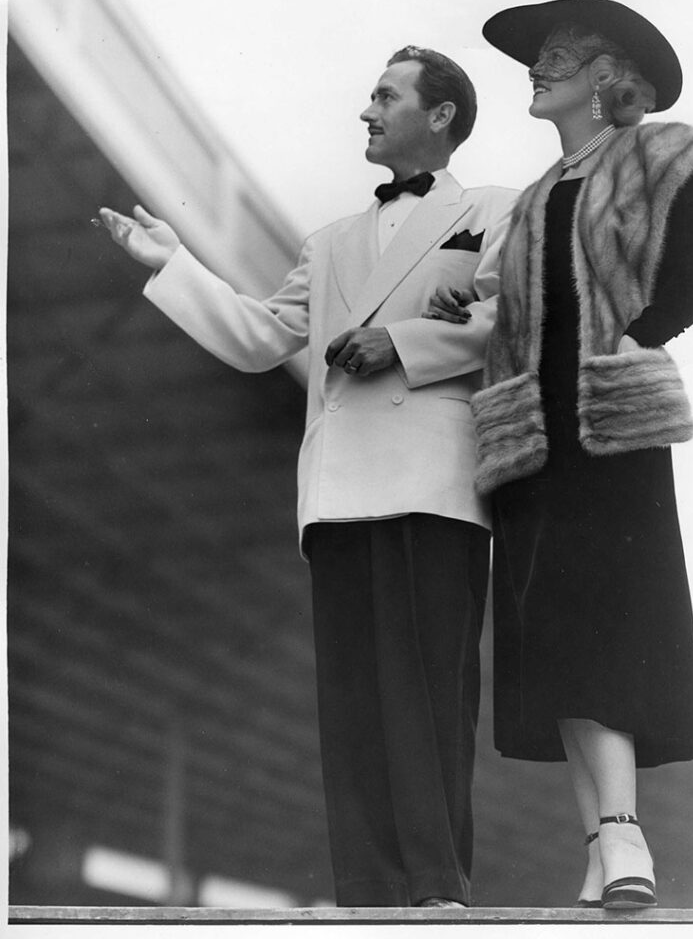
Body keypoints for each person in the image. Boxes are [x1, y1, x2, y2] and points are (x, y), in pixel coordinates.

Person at [98, 45, 517, 909]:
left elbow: (510, 314)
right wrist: (169, 264)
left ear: (440, 116)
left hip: (432, 480)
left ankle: (437, 887)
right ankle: (366, 887)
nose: (365, 111)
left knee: (429, 691)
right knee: (354, 703)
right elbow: (259, 339)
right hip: (337, 491)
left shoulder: (496, 208)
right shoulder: (327, 243)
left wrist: (401, 342)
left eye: (384, 95)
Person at [427, 0, 693, 909]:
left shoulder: (652, 154)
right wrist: (479, 315)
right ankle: (606, 841)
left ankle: (622, 831)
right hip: (529, 431)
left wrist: (637, 339)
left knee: (598, 621)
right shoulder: (532, 200)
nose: (539, 68)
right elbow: (523, 309)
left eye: (560, 55)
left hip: (606, 423)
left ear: (609, 76)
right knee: (548, 626)